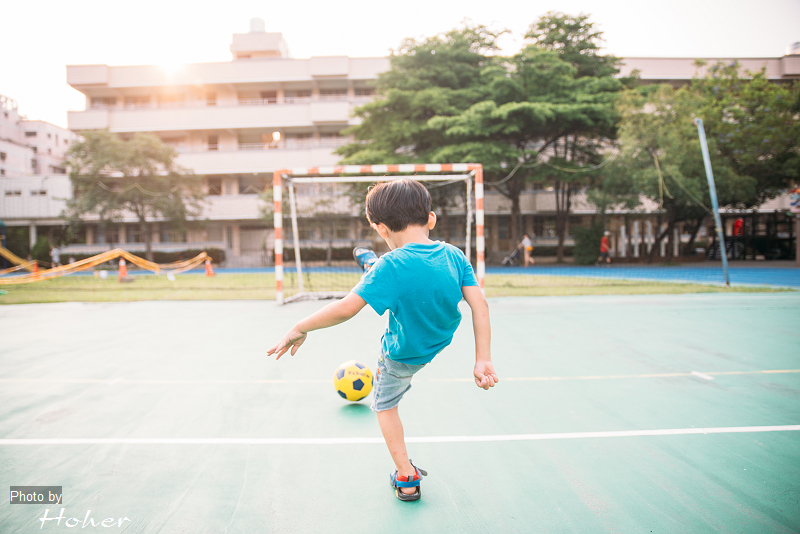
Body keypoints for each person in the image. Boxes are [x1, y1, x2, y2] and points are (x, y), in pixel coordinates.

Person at [267, 179, 497, 502]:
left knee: (385, 406)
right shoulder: (455, 256)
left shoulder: (392, 266)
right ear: (431, 219)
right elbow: (479, 305)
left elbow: (346, 308)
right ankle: (369, 267)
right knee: (390, 276)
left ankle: (406, 475)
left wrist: (300, 326)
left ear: (381, 229)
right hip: (439, 337)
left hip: (402, 355)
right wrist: (482, 358)